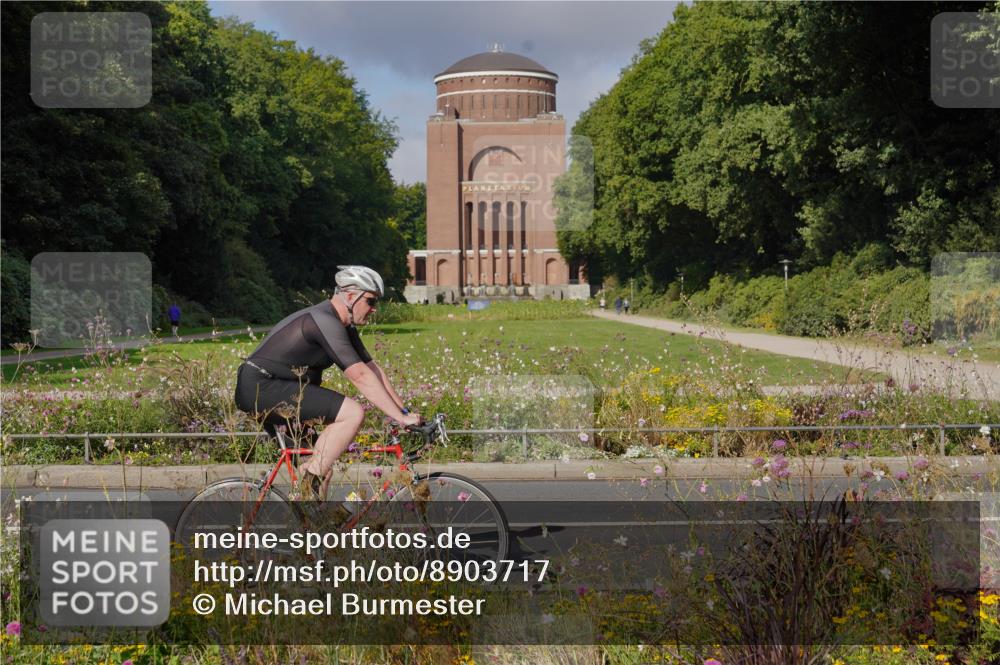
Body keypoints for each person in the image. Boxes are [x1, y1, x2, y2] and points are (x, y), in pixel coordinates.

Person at [234, 265, 421, 501]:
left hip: (269, 388)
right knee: (352, 413)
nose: (374, 309)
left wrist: (403, 411)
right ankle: (307, 490)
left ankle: (311, 532)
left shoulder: (342, 323)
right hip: (262, 387)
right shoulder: (324, 320)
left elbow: (372, 369)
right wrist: (400, 418)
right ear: (352, 296)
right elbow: (360, 376)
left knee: (320, 467)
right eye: (372, 301)